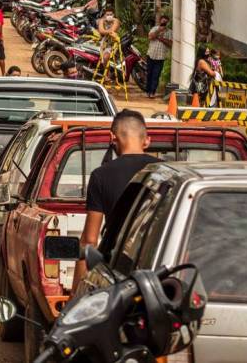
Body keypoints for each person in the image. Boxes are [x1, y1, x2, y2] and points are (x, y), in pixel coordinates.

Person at [72, 109, 161, 288]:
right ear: (147, 140)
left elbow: (90, 241)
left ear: (112, 138)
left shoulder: (100, 176)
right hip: (160, 269)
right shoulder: (166, 172)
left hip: (116, 275)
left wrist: (76, 291)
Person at [146, 15, 172, 98]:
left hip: (160, 57)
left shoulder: (169, 32)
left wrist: (161, 39)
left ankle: (152, 92)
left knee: (156, 75)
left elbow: (170, 44)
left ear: (167, 22)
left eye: (165, 22)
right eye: (162, 21)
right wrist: (158, 31)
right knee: (149, 74)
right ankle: (148, 91)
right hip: (151, 55)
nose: (164, 23)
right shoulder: (154, 28)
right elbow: (150, 37)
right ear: (160, 21)